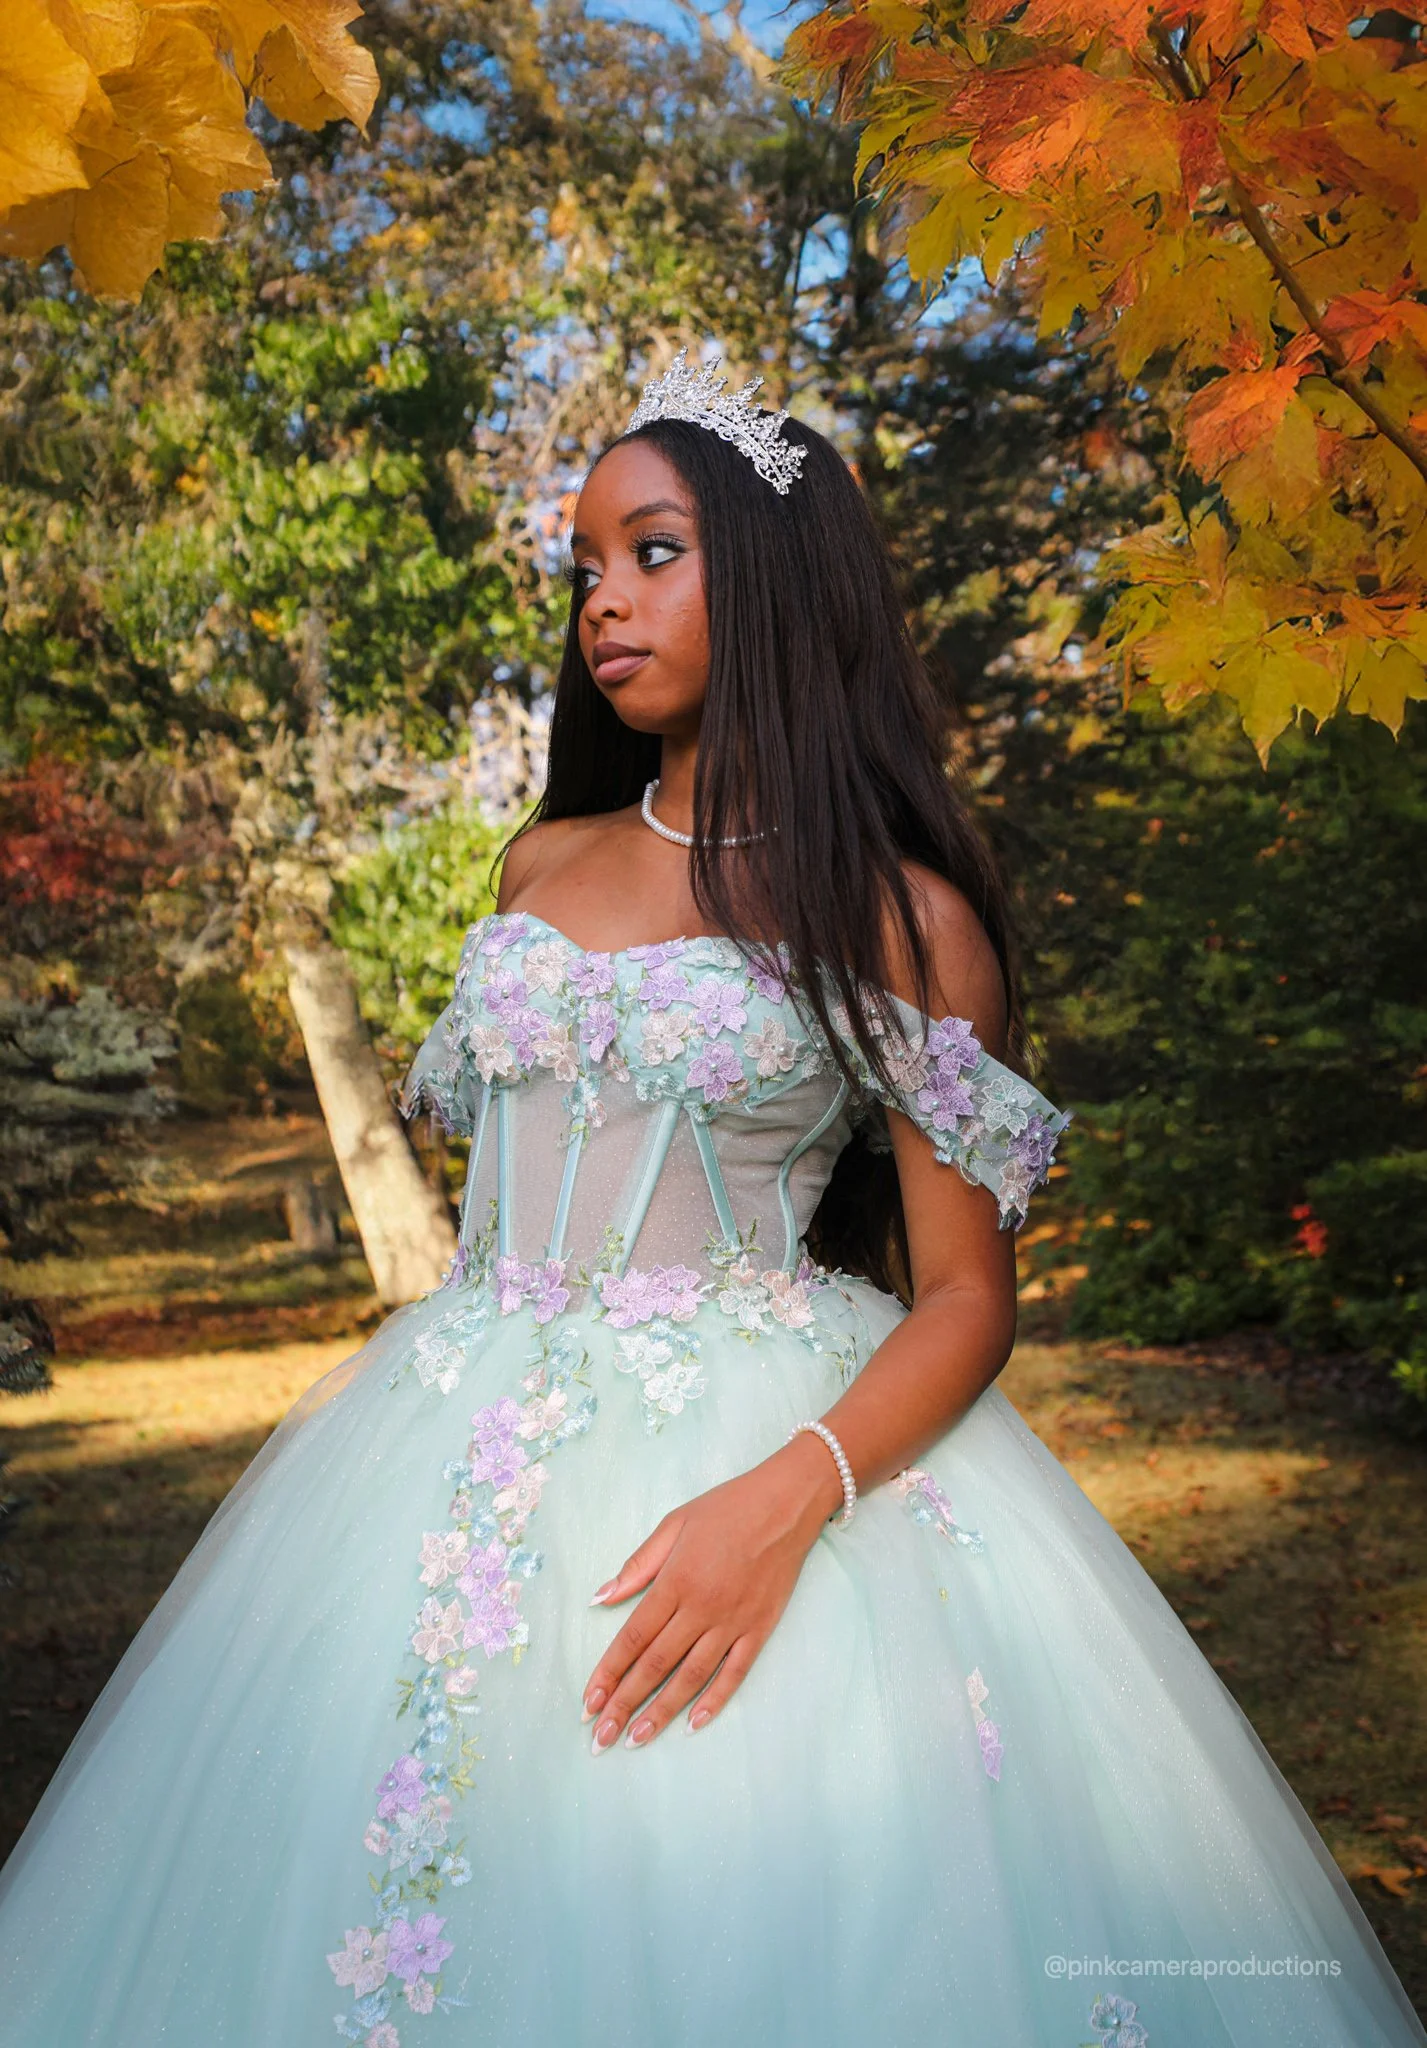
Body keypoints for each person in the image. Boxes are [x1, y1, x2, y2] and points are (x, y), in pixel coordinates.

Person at [0, 350, 1421, 2048]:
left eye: (652, 550)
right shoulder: (541, 863)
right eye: (586, 563)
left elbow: (968, 1298)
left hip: (771, 1445)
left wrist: (783, 1500)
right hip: (435, 1457)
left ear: (771, 574)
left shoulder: (900, 917)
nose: (603, 598)